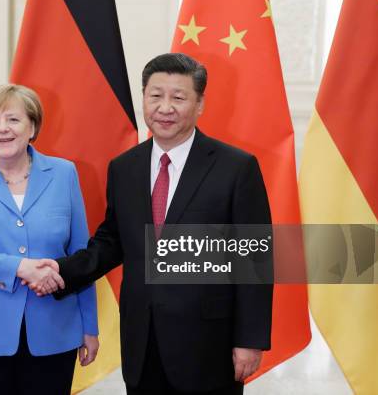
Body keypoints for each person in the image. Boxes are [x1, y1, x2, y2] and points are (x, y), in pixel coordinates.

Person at [28, 53, 273, 394]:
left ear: (200, 104)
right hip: (142, 338)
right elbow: (112, 241)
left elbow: (254, 259)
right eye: (155, 95)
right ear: (144, 98)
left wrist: (250, 339)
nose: (165, 107)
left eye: (179, 97)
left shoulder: (236, 168)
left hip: (209, 343)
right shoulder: (124, 167)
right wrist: (60, 271)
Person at [0, 84, 99, 395]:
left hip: (55, 331)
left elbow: (82, 255)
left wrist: (89, 326)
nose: (2, 129)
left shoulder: (64, 173)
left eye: (13, 119)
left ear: (33, 126)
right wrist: (20, 267)